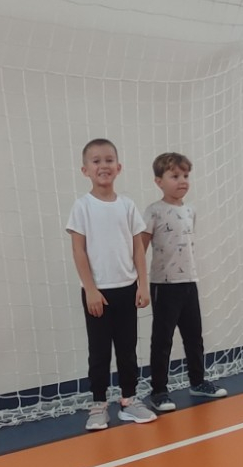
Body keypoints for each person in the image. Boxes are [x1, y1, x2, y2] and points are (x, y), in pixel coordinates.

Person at [66, 139, 158, 430]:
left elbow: (138, 248)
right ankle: (98, 404)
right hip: (98, 293)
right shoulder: (82, 207)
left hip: (127, 289)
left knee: (127, 349)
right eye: (96, 161)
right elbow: (78, 250)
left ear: (118, 167)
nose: (103, 166)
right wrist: (91, 289)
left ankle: (129, 401)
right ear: (85, 170)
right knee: (99, 352)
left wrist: (142, 285)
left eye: (108, 160)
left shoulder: (127, 206)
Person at [142, 152, 228, 412]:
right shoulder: (154, 211)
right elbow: (140, 249)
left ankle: (198, 381)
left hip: (189, 282)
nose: (182, 181)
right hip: (164, 285)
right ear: (159, 181)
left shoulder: (190, 210)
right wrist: (139, 283)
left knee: (194, 337)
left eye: (186, 176)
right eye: (175, 176)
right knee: (163, 340)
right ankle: (159, 390)